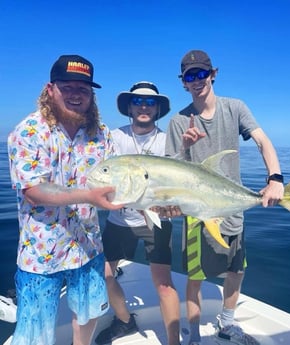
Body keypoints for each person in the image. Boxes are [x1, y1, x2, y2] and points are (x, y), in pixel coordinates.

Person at [165, 50, 284, 345]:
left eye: (201, 73)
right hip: (197, 212)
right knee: (196, 276)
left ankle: (227, 325)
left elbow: (262, 139)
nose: (197, 81)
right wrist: (184, 147)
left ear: (212, 74)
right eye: (190, 76)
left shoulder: (235, 108)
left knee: (237, 270)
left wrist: (276, 178)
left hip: (233, 205)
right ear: (183, 82)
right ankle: (193, 337)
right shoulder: (178, 122)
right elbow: (170, 168)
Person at [7, 54, 124, 345]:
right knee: (34, 330)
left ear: (92, 95)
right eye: (67, 87)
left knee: (88, 314)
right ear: (50, 89)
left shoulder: (102, 134)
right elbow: (33, 190)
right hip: (41, 252)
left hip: (88, 246)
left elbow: (120, 183)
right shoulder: (28, 131)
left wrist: (158, 201)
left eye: (83, 90)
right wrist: (88, 195)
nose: (76, 95)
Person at [95, 82, 181, 345]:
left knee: (163, 283)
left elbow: (178, 185)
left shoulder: (168, 140)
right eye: (138, 102)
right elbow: (98, 174)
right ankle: (124, 320)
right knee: (105, 275)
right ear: (129, 107)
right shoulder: (113, 137)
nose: (144, 106)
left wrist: (175, 205)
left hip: (157, 220)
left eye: (150, 103)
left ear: (157, 110)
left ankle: (174, 341)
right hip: (119, 220)